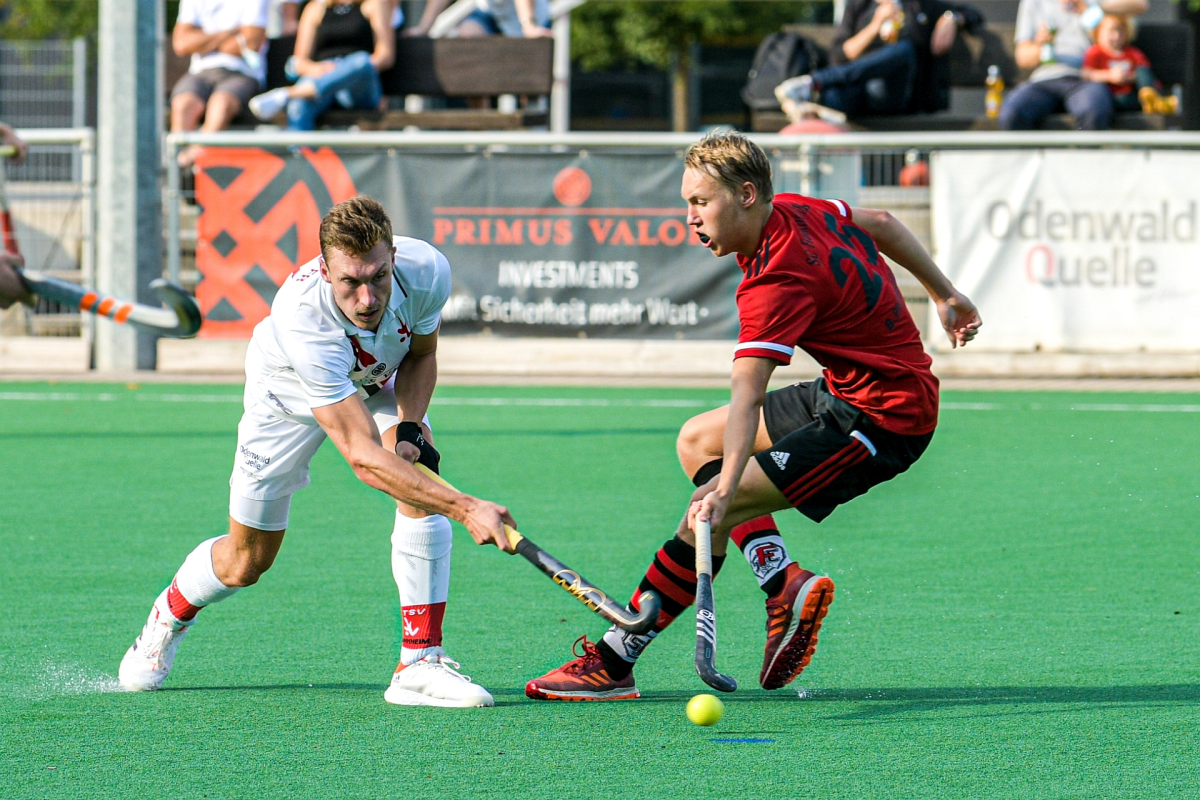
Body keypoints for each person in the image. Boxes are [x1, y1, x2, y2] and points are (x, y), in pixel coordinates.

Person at [525, 132, 981, 701]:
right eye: (687, 201)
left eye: (700, 202)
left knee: (709, 508)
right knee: (697, 442)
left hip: (885, 421)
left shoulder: (776, 281)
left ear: (744, 195)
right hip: (845, 393)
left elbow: (747, 394)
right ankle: (782, 582)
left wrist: (727, 489)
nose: (689, 217)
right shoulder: (794, 207)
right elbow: (883, 221)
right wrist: (947, 294)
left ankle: (616, 661)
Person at [119, 196, 516, 707]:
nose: (368, 297)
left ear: (394, 255)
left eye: (378, 276)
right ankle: (166, 617)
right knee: (247, 562)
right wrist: (466, 507)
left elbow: (423, 353)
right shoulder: (303, 319)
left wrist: (413, 425)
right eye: (351, 282)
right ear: (325, 271)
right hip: (284, 399)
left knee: (417, 479)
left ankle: (419, 663)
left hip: (375, 384)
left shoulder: (426, 271)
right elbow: (361, 455)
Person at [775, 0, 983, 119]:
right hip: (855, 89)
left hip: (889, 94)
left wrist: (951, 18)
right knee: (834, 97)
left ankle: (812, 82)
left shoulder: (918, 5)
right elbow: (840, 55)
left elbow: (973, 13)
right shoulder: (860, 5)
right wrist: (876, 24)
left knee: (903, 50)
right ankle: (808, 97)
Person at [998, 0, 1149, 130]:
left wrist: (1093, 10)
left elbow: (1140, 5)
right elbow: (1023, 58)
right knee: (1011, 114)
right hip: (1043, 80)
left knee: (1094, 111)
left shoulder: (1092, 3)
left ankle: (1082, 163)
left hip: (1085, 79)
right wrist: (1040, 44)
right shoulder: (1034, 2)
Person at [249, 0, 394, 130]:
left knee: (362, 61)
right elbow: (300, 62)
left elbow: (385, 56)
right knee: (298, 106)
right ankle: (299, 157)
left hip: (357, 83)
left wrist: (344, 69)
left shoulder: (374, 4)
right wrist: (320, 69)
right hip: (321, 74)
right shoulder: (314, 9)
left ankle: (287, 93)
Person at [171, 0, 270, 167]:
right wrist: (230, 33)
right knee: (183, 104)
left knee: (221, 103)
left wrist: (202, 41)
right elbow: (181, 43)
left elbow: (251, 44)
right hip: (201, 72)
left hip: (243, 72)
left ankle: (189, 163)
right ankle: (179, 168)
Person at [1082, 13, 1177, 114]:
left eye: (1121, 32)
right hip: (1114, 97)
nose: (1116, 36)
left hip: (1135, 93)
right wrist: (1109, 75)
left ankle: (1152, 97)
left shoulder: (1132, 53)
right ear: (1098, 32)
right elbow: (1087, 74)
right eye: (1111, 31)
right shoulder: (1095, 52)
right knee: (1118, 100)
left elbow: (1145, 73)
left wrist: (1128, 77)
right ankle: (1158, 103)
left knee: (1141, 70)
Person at [405, 0, 552, 38]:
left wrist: (528, 25)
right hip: (489, 13)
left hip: (528, 15)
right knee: (467, 38)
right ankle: (482, 114)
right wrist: (424, 28)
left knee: (525, 80)